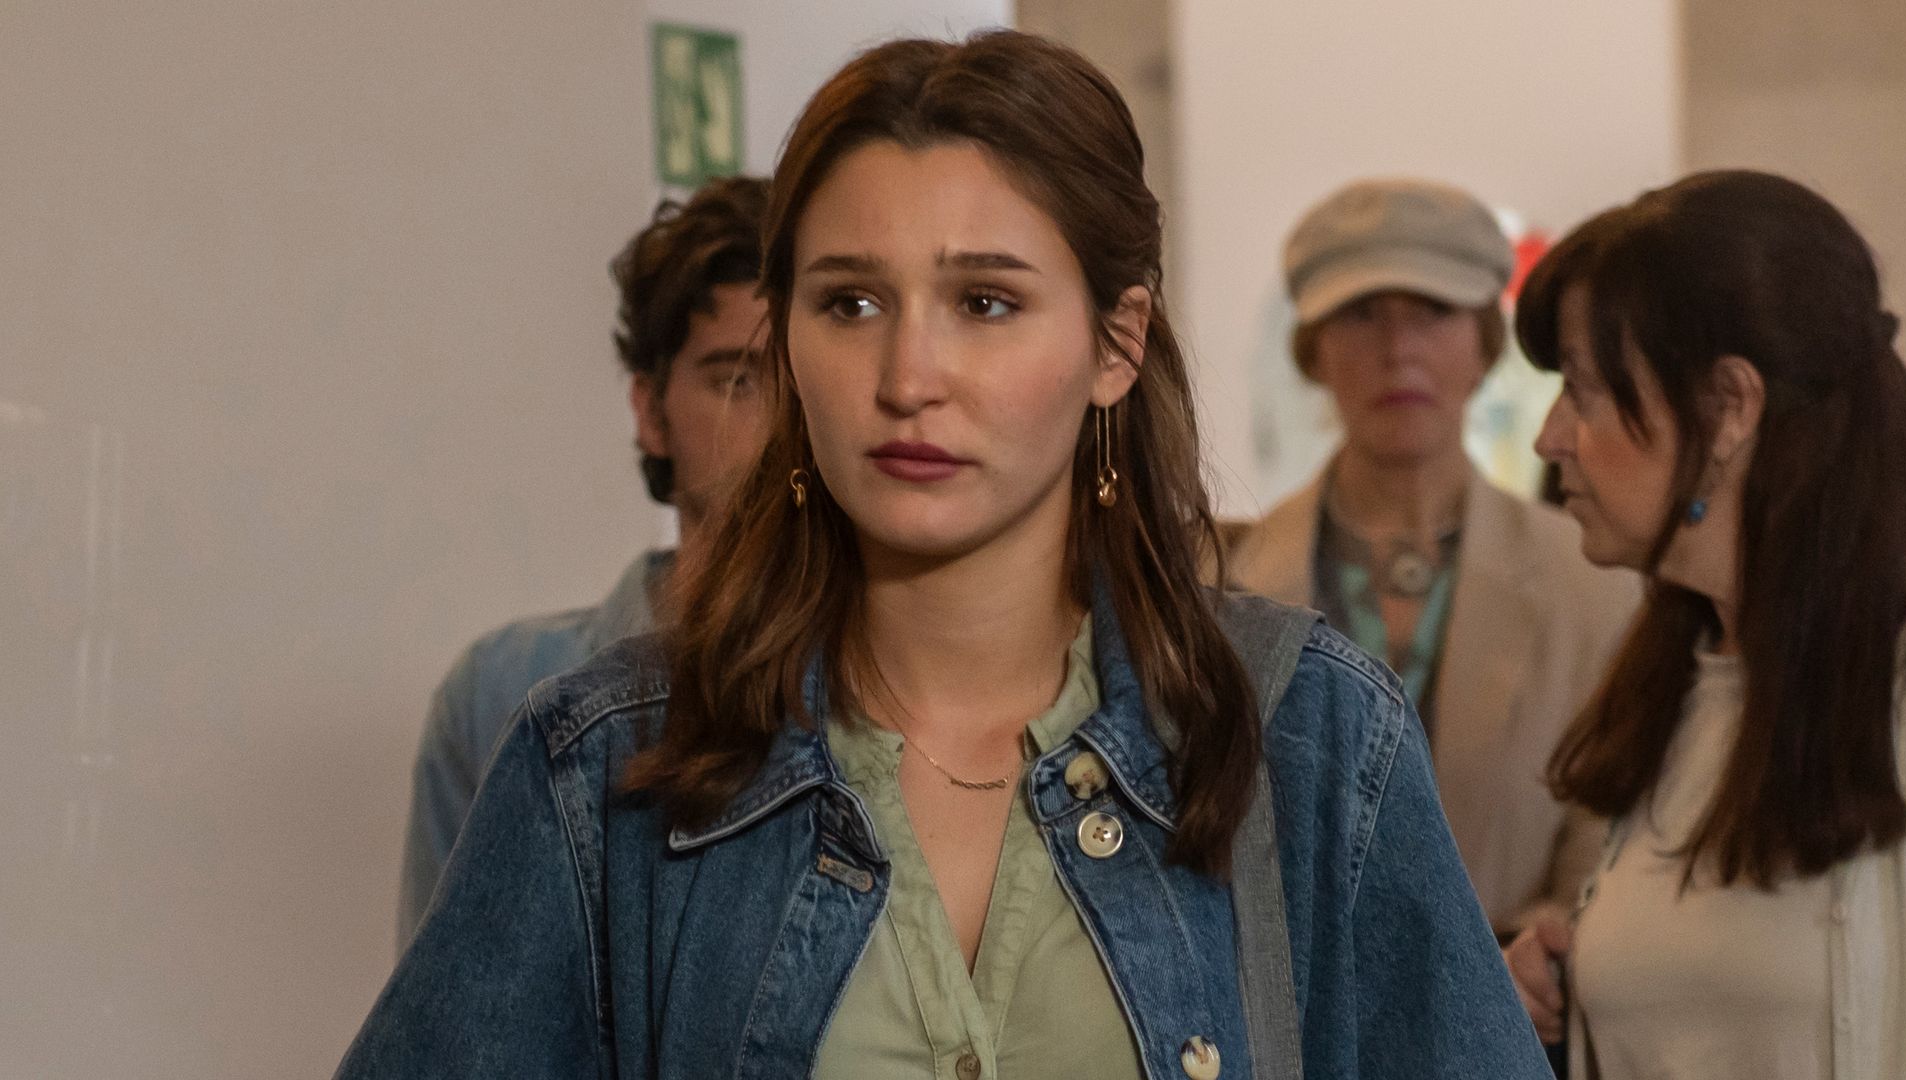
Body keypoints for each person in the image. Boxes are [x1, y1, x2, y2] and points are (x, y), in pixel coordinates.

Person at [341, 31, 1548, 1079]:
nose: (908, 379)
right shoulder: (609, 766)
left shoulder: (1304, 731)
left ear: (1116, 342)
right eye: (851, 304)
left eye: (985, 303)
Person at [1503, 170, 1906, 1079]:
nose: (1550, 438)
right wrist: (1578, 987)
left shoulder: (1903, 684)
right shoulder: (1675, 681)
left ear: (1728, 407)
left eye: (1582, 389)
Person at [1227, 178, 1640, 939]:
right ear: (1313, 350)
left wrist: (1556, 936)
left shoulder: (1593, 587)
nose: (1399, 349)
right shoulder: (1220, 586)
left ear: (1485, 342)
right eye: (1361, 314)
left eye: (1434, 311)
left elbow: (1606, 829)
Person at [394, 176, 772, 947]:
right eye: (736, 380)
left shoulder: (903, 680)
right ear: (651, 410)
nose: (776, 428)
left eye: (804, 384)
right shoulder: (507, 693)